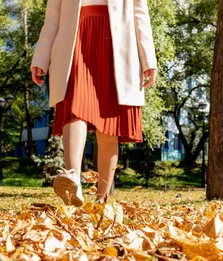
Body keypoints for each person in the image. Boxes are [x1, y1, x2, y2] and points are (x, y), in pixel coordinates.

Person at [31, 0, 158, 206]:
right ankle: (73, 179)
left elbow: (140, 15)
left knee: (109, 125)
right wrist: (40, 58)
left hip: (117, 45)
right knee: (74, 106)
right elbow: (52, 18)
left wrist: (149, 60)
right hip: (75, 43)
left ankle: (102, 200)